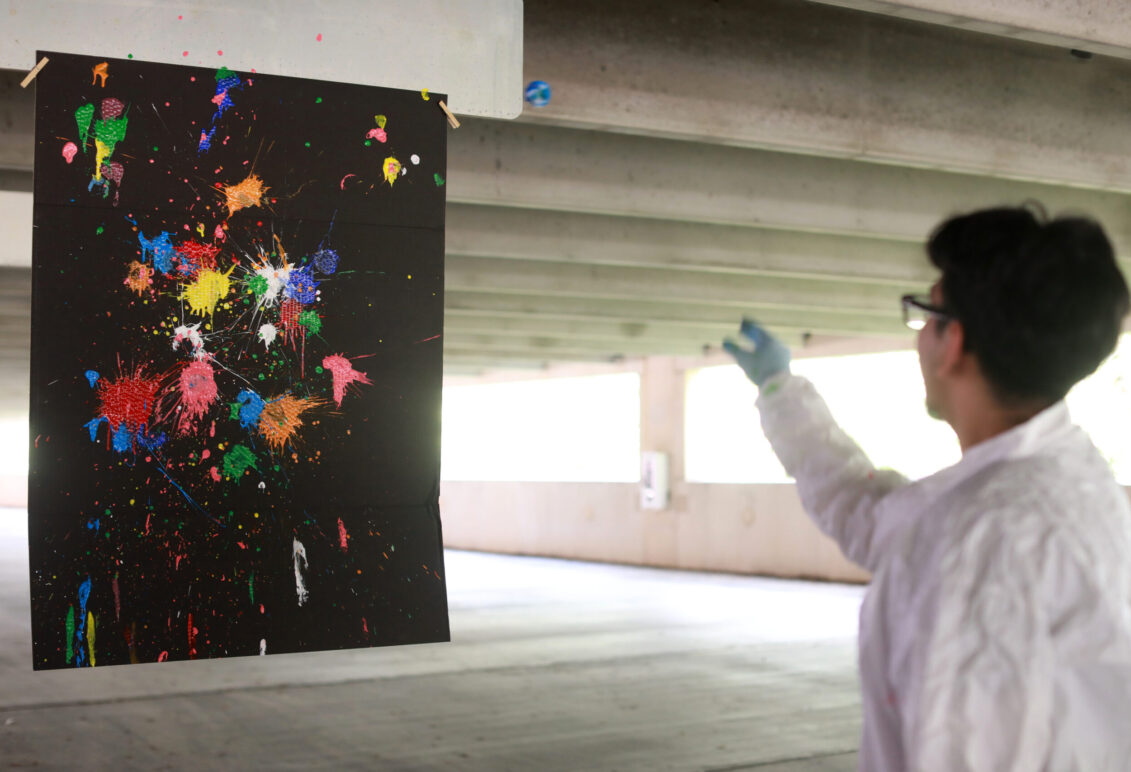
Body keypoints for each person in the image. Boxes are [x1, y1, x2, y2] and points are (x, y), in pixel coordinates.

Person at [723, 204, 1131, 771]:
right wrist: (779, 389)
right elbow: (875, 516)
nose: (920, 338)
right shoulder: (1077, 480)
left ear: (954, 341)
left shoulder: (979, 543)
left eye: (925, 313)